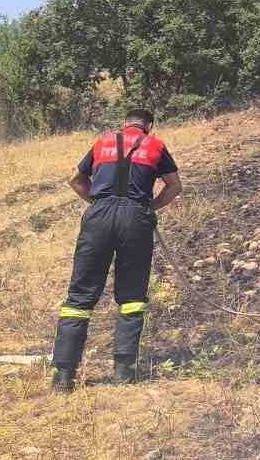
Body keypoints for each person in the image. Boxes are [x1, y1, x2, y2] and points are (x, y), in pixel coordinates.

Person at [51, 107, 182, 392]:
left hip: (98, 216)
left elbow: (75, 180)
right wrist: (150, 207)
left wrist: (98, 204)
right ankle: (124, 373)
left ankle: (63, 376)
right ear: (149, 125)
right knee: (132, 295)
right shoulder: (156, 145)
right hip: (136, 218)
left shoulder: (103, 142)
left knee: (80, 296)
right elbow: (174, 186)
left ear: (125, 123)